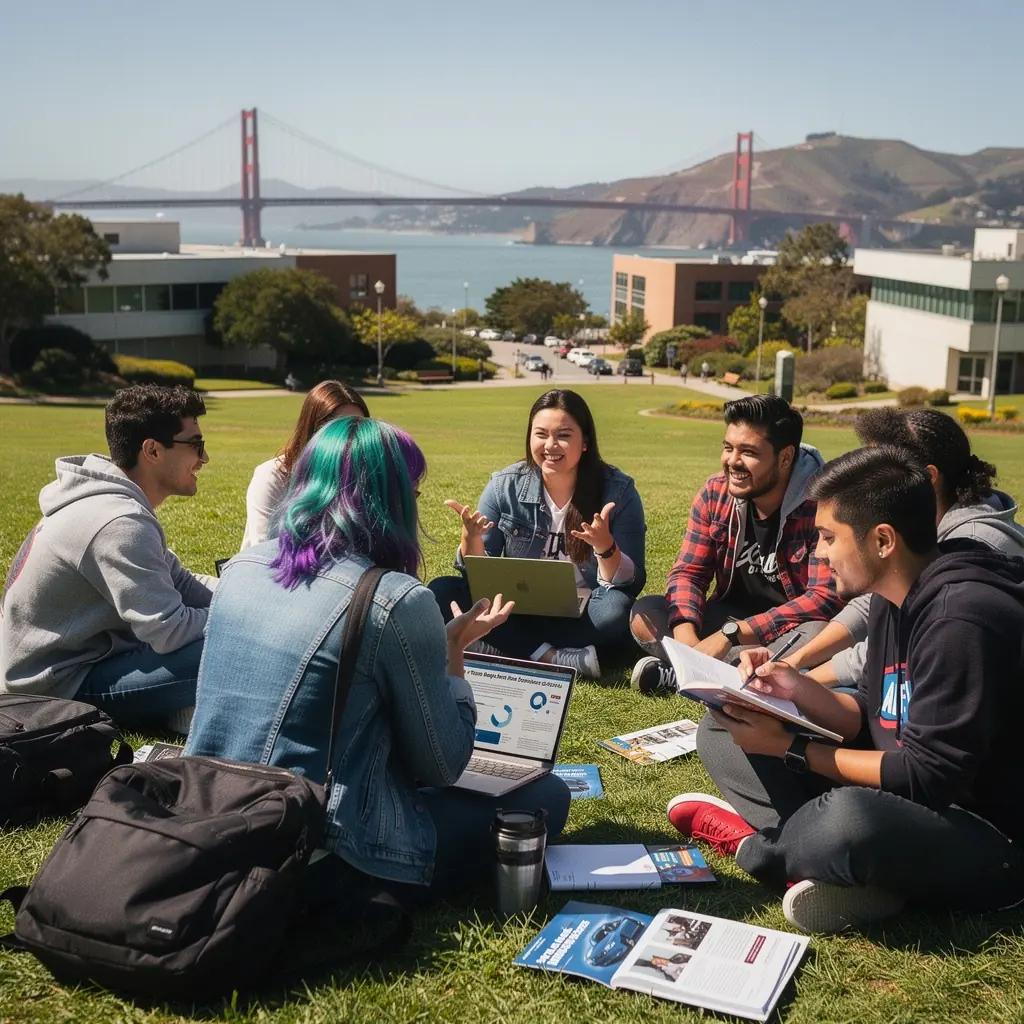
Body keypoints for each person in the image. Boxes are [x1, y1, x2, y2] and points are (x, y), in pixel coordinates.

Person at [185, 417, 570, 901]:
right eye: (415, 491)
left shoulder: (241, 570)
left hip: (213, 812)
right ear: (391, 499)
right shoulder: (394, 598)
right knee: (546, 796)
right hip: (324, 848)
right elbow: (443, 764)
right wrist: (452, 655)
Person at [667, 446, 1024, 934]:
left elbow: (927, 776)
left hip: (989, 838)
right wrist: (792, 688)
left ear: (882, 540)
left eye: (829, 537)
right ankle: (861, 873)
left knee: (848, 821)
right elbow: (871, 719)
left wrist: (792, 749)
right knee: (719, 731)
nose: (819, 552)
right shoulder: (891, 597)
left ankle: (760, 848)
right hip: (908, 800)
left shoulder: (961, 618)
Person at [0, 385, 215, 731]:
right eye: (196, 445)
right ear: (153, 450)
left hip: (74, 664)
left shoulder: (116, 505)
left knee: (229, 633)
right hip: (55, 690)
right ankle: (175, 709)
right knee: (231, 645)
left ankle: (173, 705)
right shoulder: (118, 521)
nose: (204, 458)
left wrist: (247, 592)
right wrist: (239, 616)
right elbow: (170, 631)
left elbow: (181, 582)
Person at [785, 406, 1024, 684]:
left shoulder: (973, 548)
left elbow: (896, 651)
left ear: (928, 476)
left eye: (877, 468)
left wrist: (804, 683)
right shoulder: (924, 525)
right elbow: (873, 605)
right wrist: (796, 660)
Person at [629, 394, 840, 694]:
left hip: (786, 628)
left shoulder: (821, 504)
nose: (732, 461)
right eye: (728, 448)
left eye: (748, 452)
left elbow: (823, 599)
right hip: (726, 619)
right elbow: (689, 573)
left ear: (785, 457)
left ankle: (691, 674)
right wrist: (689, 642)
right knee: (647, 612)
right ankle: (712, 672)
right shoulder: (716, 492)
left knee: (819, 634)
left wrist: (732, 634)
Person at [428, 389, 646, 679]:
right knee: (441, 591)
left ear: (585, 442)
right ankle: (555, 657)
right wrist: (471, 538)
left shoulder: (618, 491)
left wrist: (605, 547)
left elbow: (629, 584)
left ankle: (500, 646)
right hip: (515, 607)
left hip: (583, 611)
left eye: (564, 435)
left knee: (616, 611)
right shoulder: (504, 485)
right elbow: (478, 577)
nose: (550, 445)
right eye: (541, 434)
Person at [240, 380, 369, 549]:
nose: (349, 439)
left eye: (358, 428)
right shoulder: (272, 477)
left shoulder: (363, 478)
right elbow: (263, 553)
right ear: (312, 429)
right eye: (337, 429)